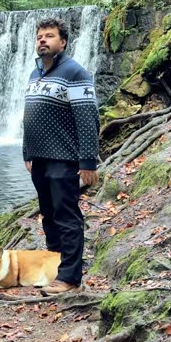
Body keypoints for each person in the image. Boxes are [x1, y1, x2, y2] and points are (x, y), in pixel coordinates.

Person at [22, 17, 100, 295]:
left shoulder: (75, 73)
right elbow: (29, 117)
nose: (43, 40)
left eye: (50, 36)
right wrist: (26, 152)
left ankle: (70, 278)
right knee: (48, 216)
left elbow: (88, 118)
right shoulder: (36, 73)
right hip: (40, 160)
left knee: (67, 217)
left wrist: (88, 160)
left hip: (64, 158)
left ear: (62, 42)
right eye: (40, 36)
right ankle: (55, 268)